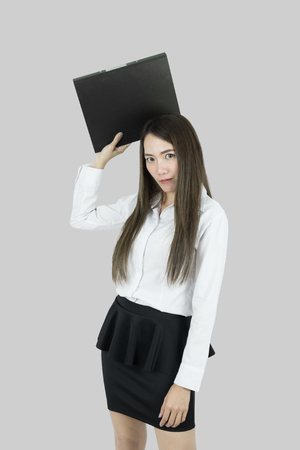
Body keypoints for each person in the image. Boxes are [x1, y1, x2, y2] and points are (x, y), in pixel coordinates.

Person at [70, 113, 228, 450]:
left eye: (169, 155)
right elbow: (80, 218)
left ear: (189, 153)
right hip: (120, 332)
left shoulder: (210, 217)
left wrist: (186, 383)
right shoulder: (141, 204)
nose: (160, 168)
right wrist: (100, 162)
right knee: (126, 441)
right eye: (150, 158)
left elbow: (205, 306)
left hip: (167, 343)